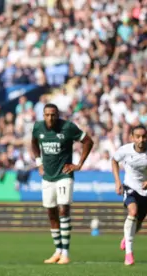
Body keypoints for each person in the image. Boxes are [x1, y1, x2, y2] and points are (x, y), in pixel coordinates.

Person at [31, 103, 93, 264]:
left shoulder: (68, 127)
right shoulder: (38, 127)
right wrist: (39, 162)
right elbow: (33, 142)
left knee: (64, 209)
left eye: (53, 114)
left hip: (64, 175)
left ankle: (65, 253)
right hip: (48, 177)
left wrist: (79, 164)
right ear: (43, 115)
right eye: (47, 115)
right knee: (51, 213)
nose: (50, 117)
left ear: (57, 115)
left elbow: (88, 141)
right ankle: (57, 250)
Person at [112, 125, 147, 266]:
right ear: (132, 137)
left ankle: (127, 237)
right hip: (130, 186)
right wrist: (118, 181)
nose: (141, 139)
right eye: (137, 136)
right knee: (133, 212)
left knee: (137, 223)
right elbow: (114, 160)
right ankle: (129, 255)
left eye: (144, 136)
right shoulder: (125, 150)